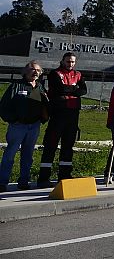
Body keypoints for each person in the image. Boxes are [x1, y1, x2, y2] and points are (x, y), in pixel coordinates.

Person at [38, 52, 87, 187]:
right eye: (67, 61)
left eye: (72, 62)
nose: (70, 64)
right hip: (58, 113)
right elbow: (59, 88)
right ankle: (43, 178)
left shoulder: (78, 74)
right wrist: (74, 90)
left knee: (68, 146)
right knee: (50, 145)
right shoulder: (55, 73)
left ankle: (64, 176)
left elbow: (84, 90)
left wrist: (69, 91)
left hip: (73, 114)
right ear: (62, 61)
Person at [0, 61, 48, 191]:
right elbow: (3, 106)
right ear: (25, 71)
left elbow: (45, 105)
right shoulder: (16, 86)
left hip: (34, 126)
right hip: (18, 126)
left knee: (28, 154)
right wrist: (13, 120)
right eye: (32, 69)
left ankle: (24, 181)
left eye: (38, 70)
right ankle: (2, 182)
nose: (35, 72)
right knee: (10, 153)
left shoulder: (40, 87)